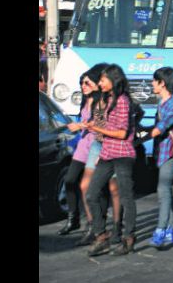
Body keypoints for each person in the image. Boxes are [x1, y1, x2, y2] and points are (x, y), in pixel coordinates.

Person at [83, 64, 137, 256]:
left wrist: (97, 128)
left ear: (114, 80)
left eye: (103, 80)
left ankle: (128, 238)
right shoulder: (109, 99)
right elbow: (110, 127)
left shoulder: (122, 101)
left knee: (126, 197)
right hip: (107, 153)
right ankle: (102, 236)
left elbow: (122, 133)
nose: (100, 83)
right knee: (91, 194)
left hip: (122, 154)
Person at [58, 63, 109, 237]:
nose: (83, 86)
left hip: (97, 145)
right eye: (81, 83)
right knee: (70, 180)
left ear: (96, 83)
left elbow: (102, 123)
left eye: (87, 83)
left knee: (93, 187)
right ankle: (73, 219)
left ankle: (95, 224)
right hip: (83, 145)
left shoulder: (103, 101)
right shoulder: (85, 100)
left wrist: (80, 125)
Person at [148, 67, 173, 249]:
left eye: (154, 81)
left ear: (162, 83)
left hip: (171, 152)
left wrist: (137, 138)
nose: (152, 84)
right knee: (166, 192)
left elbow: (161, 127)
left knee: (162, 190)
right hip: (161, 152)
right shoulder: (162, 102)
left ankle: (161, 229)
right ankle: (171, 229)